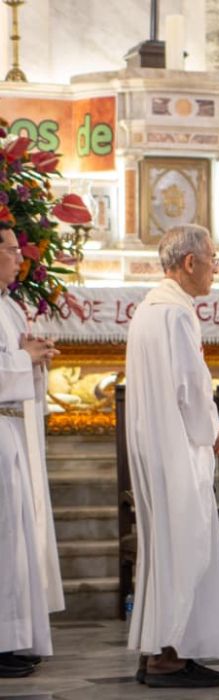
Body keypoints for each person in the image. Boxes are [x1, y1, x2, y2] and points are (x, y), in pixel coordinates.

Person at [125, 225, 219, 688]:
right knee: (185, 548)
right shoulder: (176, 315)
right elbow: (189, 389)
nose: (216, 268)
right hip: (177, 450)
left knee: (165, 551)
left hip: (158, 446)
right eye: (212, 259)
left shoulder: (149, 310)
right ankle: (168, 656)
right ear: (190, 262)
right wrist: (215, 432)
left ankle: (161, 647)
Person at [0, 222, 59, 678]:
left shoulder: (12, 307)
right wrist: (25, 359)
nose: (21, 258)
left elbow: (17, 363)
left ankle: (13, 637)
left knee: (15, 540)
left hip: (12, 432)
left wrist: (34, 355)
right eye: (11, 250)